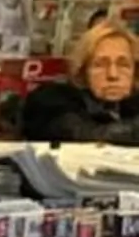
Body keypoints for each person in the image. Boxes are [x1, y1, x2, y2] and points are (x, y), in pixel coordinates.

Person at [19, 18, 139, 147]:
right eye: (100, 65)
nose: (113, 75)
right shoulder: (51, 99)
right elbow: (85, 137)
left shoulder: (131, 104)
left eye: (124, 65)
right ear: (82, 70)